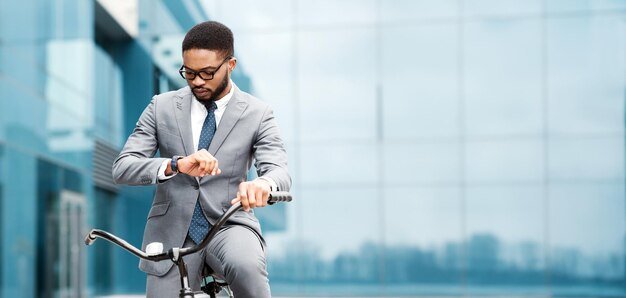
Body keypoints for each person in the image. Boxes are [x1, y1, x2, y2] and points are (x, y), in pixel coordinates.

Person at [112, 21, 291, 298]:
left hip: (229, 224)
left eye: (207, 73)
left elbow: (278, 169)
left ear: (230, 65)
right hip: (171, 231)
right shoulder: (161, 107)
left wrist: (264, 185)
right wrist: (175, 165)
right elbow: (123, 167)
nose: (197, 81)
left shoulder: (258, 113)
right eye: (189, 72)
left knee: (247, 268)